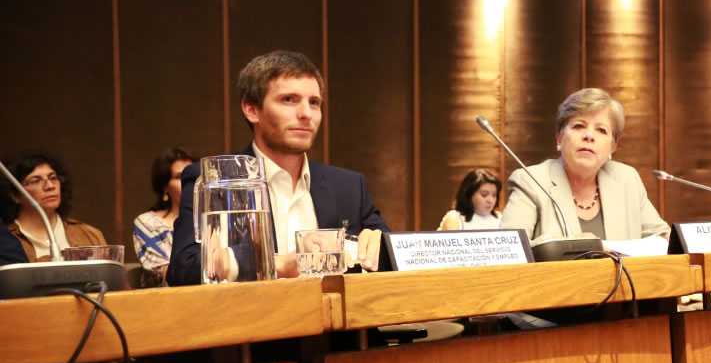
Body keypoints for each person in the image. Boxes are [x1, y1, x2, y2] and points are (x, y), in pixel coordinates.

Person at [166, 50, 388, 286]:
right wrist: (278, 264)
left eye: (314, 103)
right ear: (252, 110)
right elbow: (184, 269)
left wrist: (379, 245)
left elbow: (396, 256)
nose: (306, 114)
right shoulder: (218, 178)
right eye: (289, 100)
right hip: (255, 319)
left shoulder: (348, 186)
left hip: (337, 320)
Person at [500, 88, 670, 244]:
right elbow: (509, 251)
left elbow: (661, 237)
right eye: (579, 126)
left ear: (612, 147)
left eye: (601, 130)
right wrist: (568, 247)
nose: (589, 135)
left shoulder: (626, 179)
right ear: (559, 138)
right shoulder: (531, 181)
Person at [2, 152, 107, 262]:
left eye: (53, 178)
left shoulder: (89, 235)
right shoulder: (5, 240)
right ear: (15, 195)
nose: (50, 186)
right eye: (36, 181)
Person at [132, 147, 197, 286]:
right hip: (167, 300)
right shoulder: (148, 223)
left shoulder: (211, 220)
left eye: (194, 178)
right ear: (165, 187)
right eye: (180, 177)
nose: (190, 183)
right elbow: (173, 274)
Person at [438, 169, 502, 231]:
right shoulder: (454, 219)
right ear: (469, 194)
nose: (490, 200)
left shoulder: (501, 220)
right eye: (484, 195)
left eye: (494, 195)